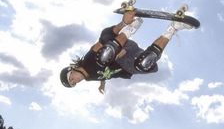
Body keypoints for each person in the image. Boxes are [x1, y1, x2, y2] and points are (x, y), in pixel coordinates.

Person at [60, 9, 193, 93]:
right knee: (144, 63)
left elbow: (104, 38)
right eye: (74, 83)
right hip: (127, 67)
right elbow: (100, 75)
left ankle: (130, 27)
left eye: (72, 78)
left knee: (104, 54)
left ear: (72, 69)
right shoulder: (89, 79)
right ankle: (174, 27)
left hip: (123, 48)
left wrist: (123, 23)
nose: (76, 80)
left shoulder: (87, 60)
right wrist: (102, 84)